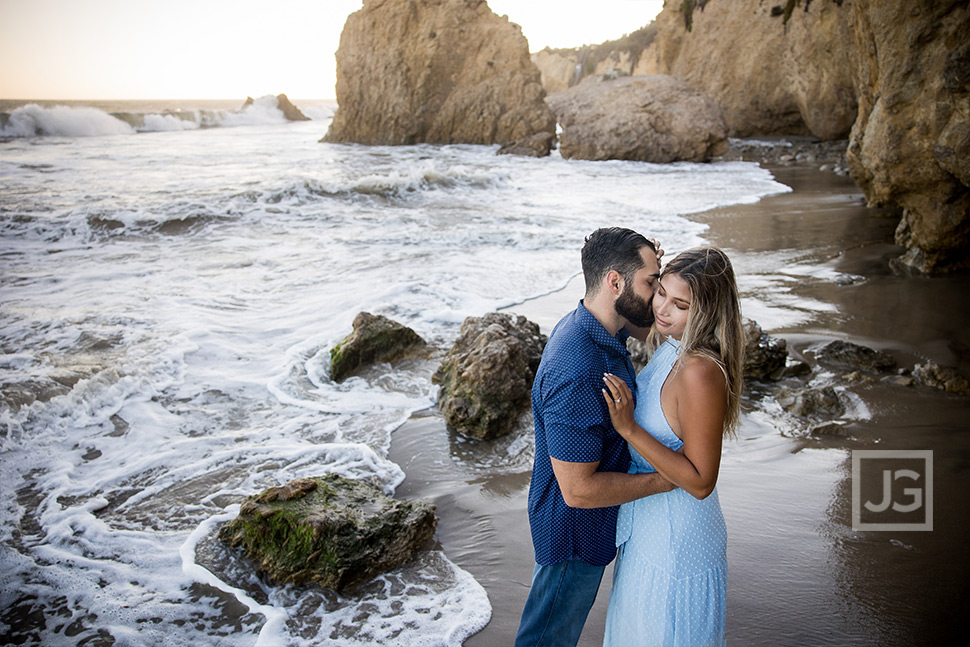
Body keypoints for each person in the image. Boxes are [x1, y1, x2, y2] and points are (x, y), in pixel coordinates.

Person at [515, 227, 675, 647]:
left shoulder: (601, 328)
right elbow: (578, 490)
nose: (657, 292)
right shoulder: (579, 367)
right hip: (573, 534)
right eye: (651, 282)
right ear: (615, 282)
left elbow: (652, 322)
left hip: (588, 527)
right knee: (545, 640)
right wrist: (666, 480)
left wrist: (660, 273)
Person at [600, 246, 745, 647]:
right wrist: (639, 253)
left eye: (680, 304)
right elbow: (622, 307)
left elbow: (701, 481)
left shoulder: (699, 370)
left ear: (707, 312)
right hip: (647, 526)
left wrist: (629, 429)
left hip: (678, 541)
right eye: (660, 291)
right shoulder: (671, 344)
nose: (662, 308)